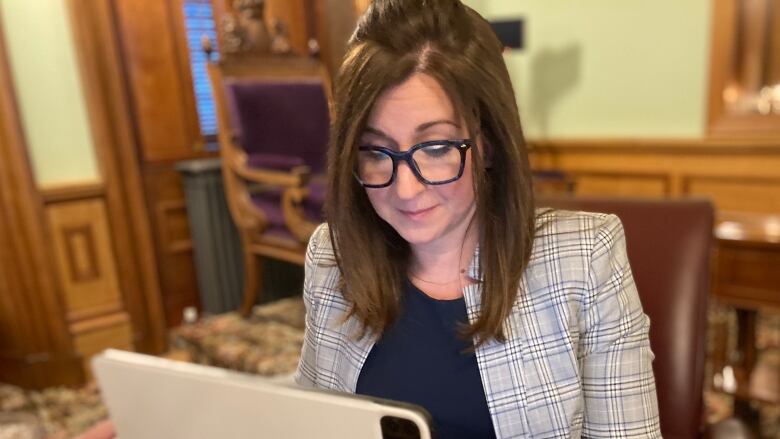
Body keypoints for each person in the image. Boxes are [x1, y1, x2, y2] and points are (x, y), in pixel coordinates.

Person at [294, 0, 661, 438]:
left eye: (435, 148)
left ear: (487, 143)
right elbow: (312, 422)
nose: (406, 189)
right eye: (375, 152)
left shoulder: (585, 259)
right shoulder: (330, 256)